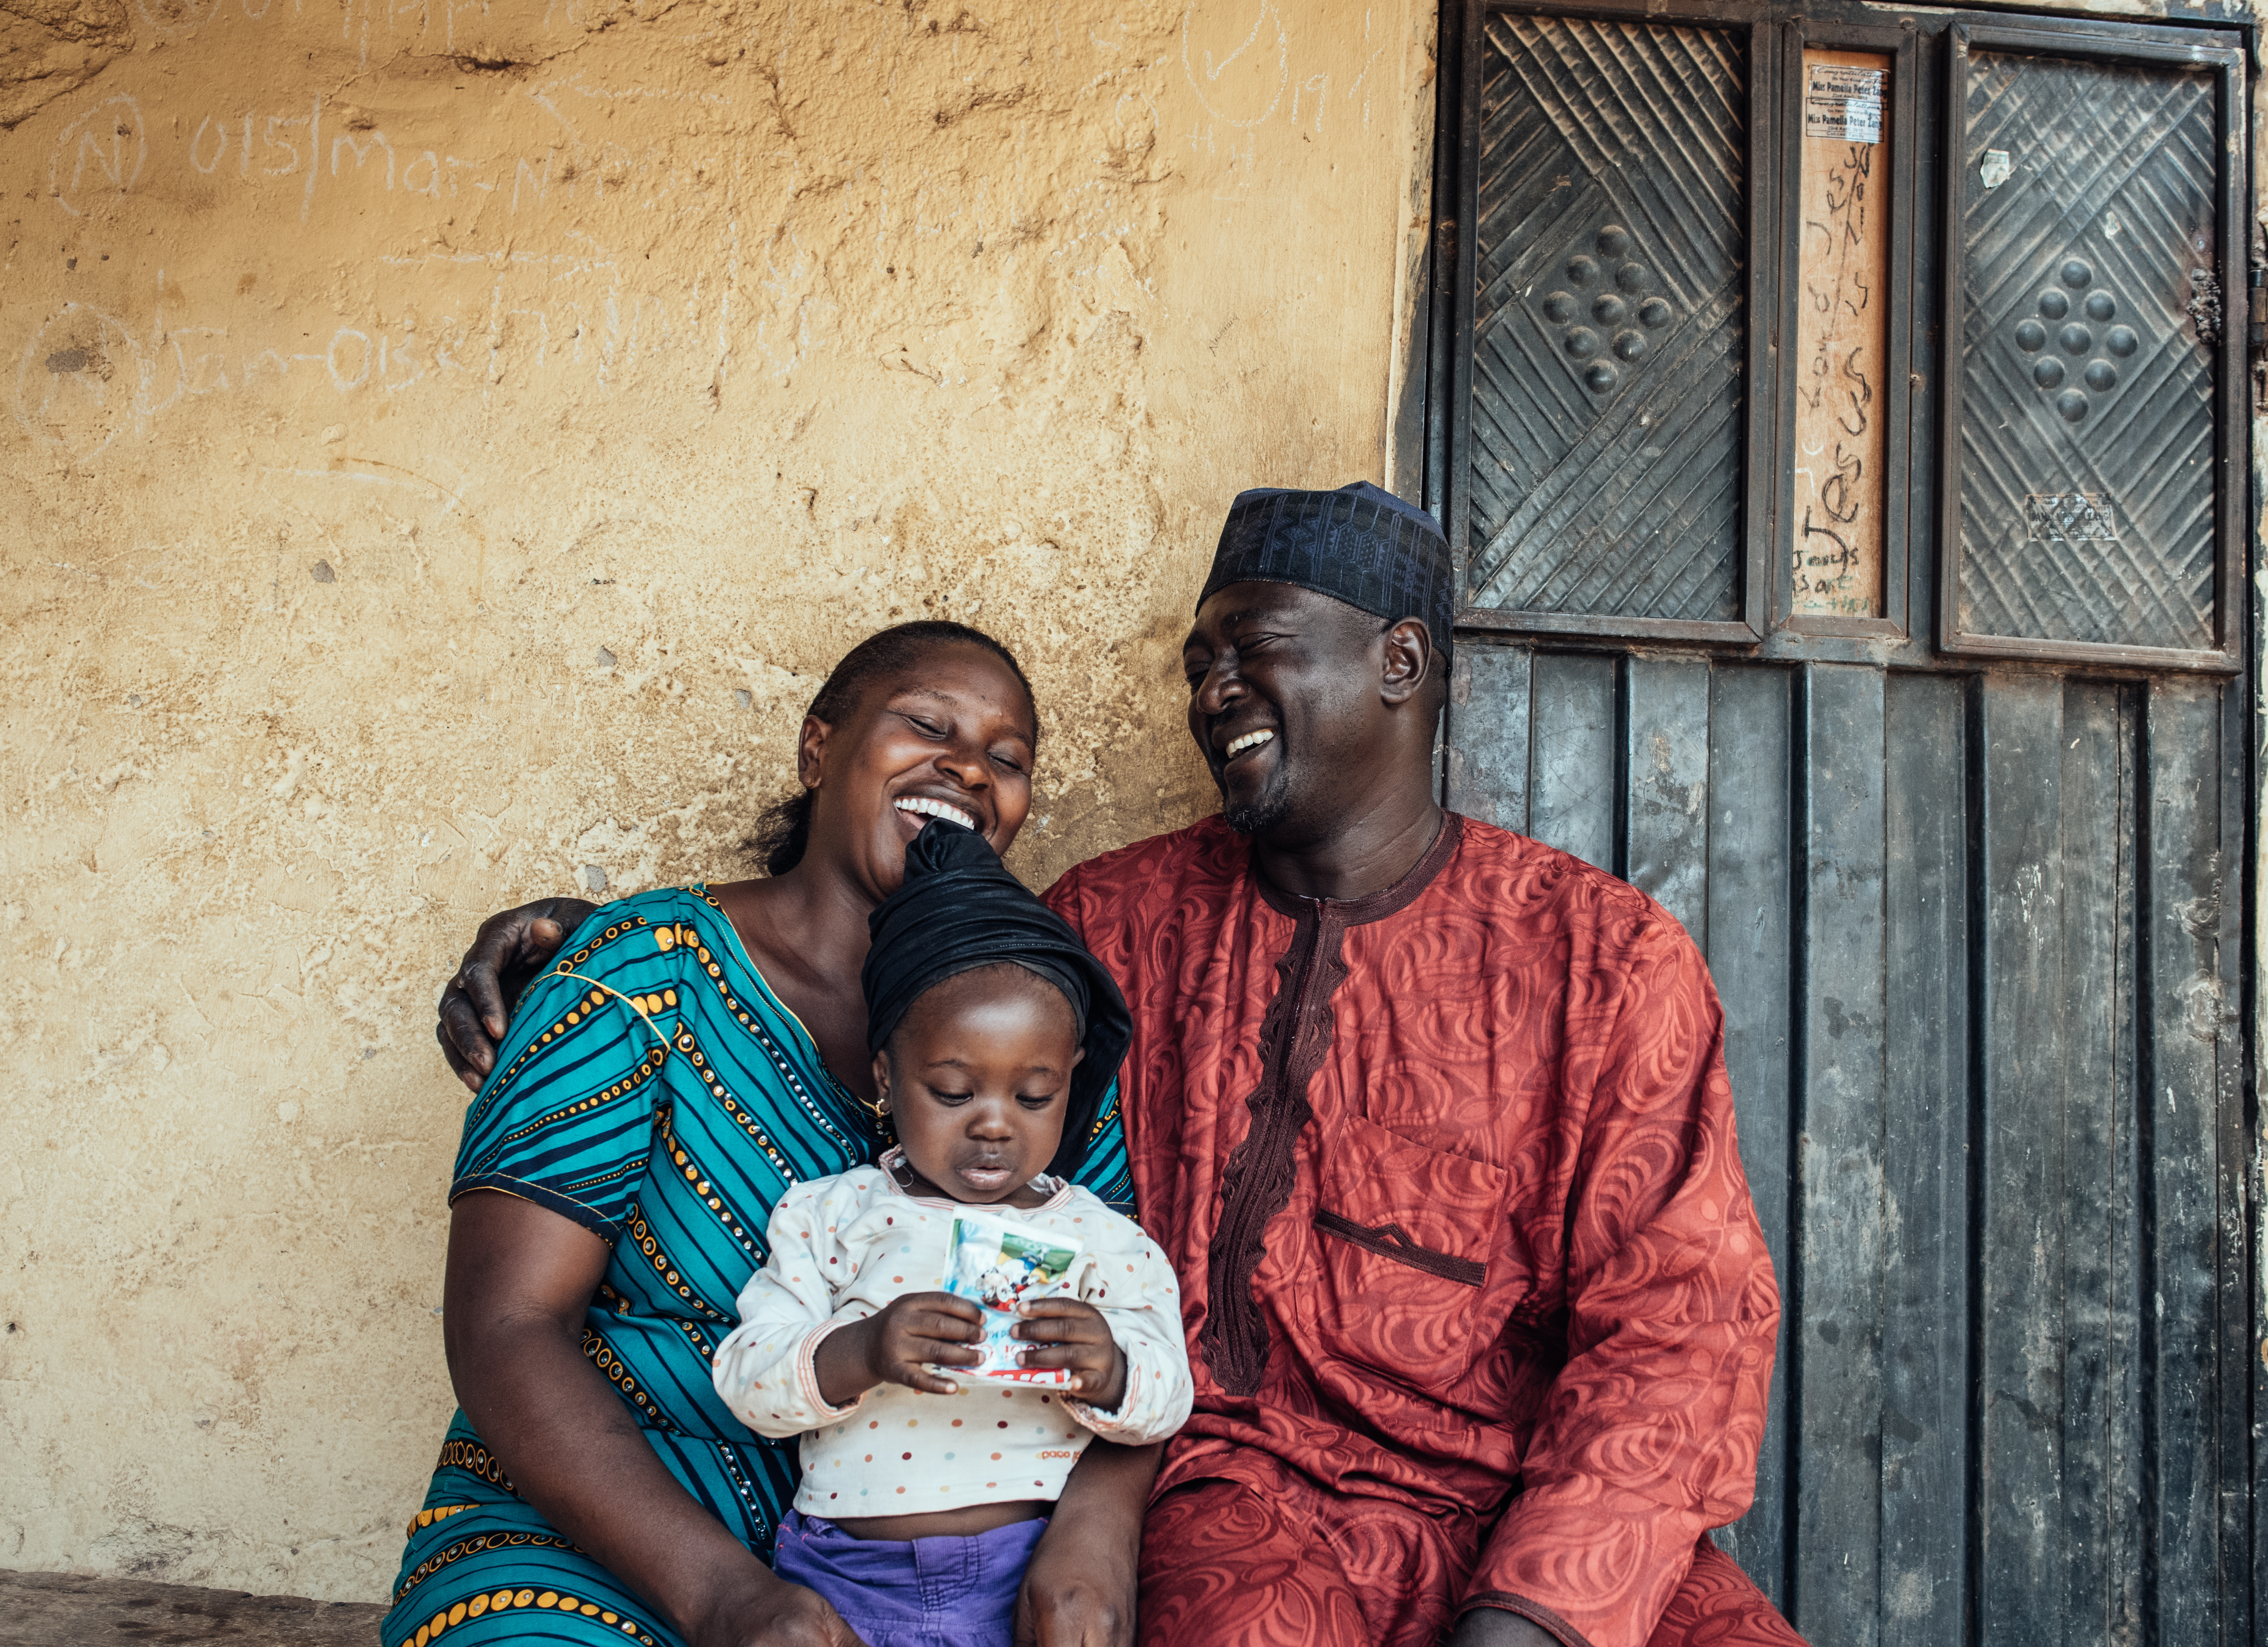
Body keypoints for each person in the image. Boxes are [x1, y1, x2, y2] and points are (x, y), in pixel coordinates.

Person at [438, 484, 1804, 1647]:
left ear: (1401, 662)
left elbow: (1684, 1333)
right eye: (1198, 663)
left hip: (1533, 1513)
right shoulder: (1116, 925)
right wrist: (590, 947)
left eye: (1252, 650)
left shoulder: (1604, 958)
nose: (1212, 692)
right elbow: (914, 976)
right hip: (1240, 1498)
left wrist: (1534, 1611)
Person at [391, 622, 1159, 1647]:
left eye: (1007, 758)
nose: (970, 769)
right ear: (817, 748)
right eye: (928, 725)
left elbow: (1123, 1327)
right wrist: (727, 1596)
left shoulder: (1034, 1037)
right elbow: (506, 1326)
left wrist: (1093, 1538)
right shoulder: (640, 976)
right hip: (601, 1524)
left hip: (934, 1569)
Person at [712, 818, 1192, 1647]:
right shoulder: (830, 1214)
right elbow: (746, 1378)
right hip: (844, 1578)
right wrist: (861, 1350)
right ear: (886, 1074)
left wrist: (1111, 1369)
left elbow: (1169, 1396)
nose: (994, 1125)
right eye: (953, 1092)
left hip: (1026, 1575)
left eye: (1033, 1097)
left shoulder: (1099, 1236)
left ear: (1069, 1084)